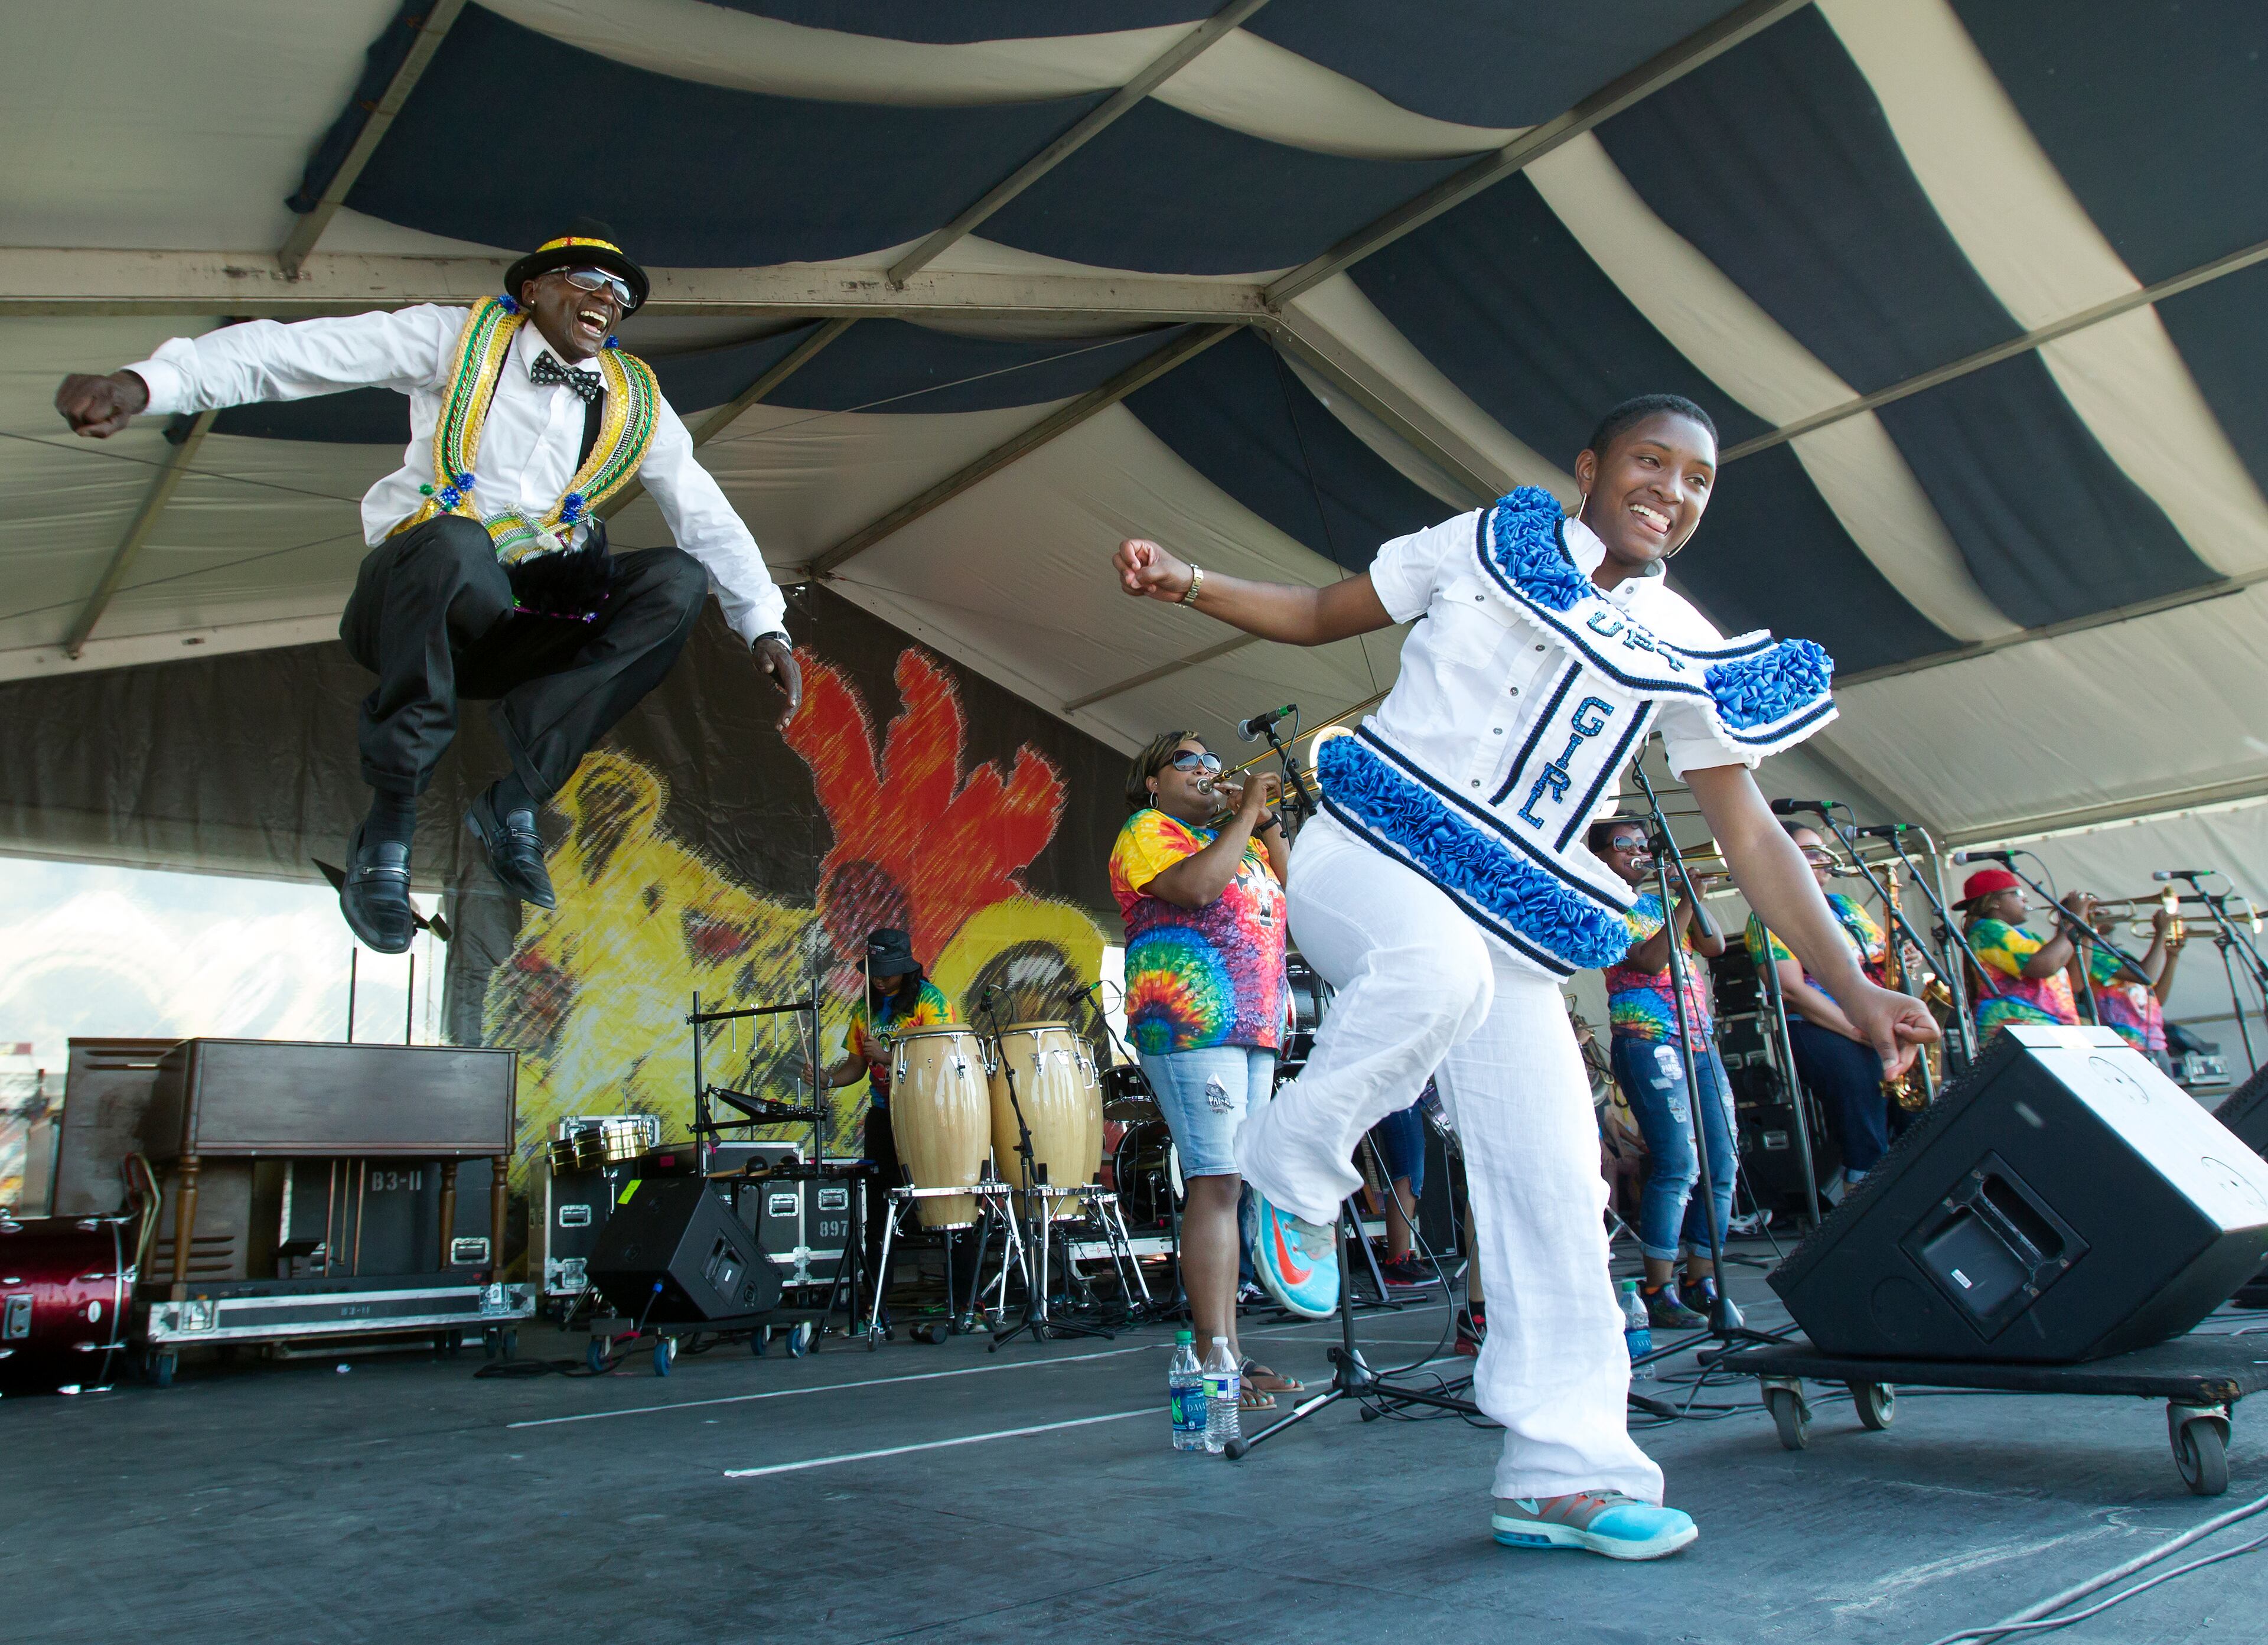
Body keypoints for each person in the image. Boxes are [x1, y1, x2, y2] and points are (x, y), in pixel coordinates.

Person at [1109, 394, 1934, 1561]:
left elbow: (1752, 838)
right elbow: (1312, 610)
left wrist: (1855, 990)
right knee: (1434, 968)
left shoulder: (1689, 639)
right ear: (1589, 464)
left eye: (1700, 479)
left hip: (1513, 916)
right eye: (1653, 461)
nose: (1676, 489)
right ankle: (1295, 1158)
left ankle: (1563, 1476)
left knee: (1558, 1182)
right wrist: (1187, 579)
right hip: (1374, 846)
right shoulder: (1491, 541)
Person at [54, 220, 801, 953]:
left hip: (519, 627)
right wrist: (147, 384)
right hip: (416, 598)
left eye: (620, 292)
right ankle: (387, 833)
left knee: (675, 579)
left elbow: (705, 512)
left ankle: (515, 801)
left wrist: (763, 623)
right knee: (453, 542)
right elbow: (293, 353)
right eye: (587, 280)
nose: (606, 296)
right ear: (534, 288)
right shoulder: (457, 338)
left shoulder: (632, 397)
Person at [1109, 733, 1299, 1412]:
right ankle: (1213, 1355)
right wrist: (1246, 810)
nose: (1206, 771)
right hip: (1190, 1024)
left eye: (1213, 763)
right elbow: (1195, 889)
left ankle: (1232, 1352)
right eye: (1187, 761)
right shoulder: (1147, 830)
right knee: (1215, 1178)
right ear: (1153, 781)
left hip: (1252, 1028)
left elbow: (1301, 894)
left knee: (1236, 1182)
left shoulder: (1243, 844)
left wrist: (1268, 820)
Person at [1589, 817, 1732, 1327]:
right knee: (1678, 1163)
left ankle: (1700, 1279)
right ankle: (1657, 1285)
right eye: (1624, 844)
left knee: (1722, 1162)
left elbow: (1712, 946)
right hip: (1649, 1045)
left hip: (1700, 1044)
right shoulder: (1600, 903)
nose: (1638, 851)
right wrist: (1686, 901)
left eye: (1642, 844)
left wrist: (1690, 896)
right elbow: (1650, 961)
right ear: (1601, 856)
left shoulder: (1658, 904)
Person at [809, 929, 969, 1321]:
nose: (879, 979)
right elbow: (856, 1066)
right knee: (879, 1211)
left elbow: (943, 1060)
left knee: (948, 1203)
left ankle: (964, 1301)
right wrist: (826, 1078)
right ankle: (876, 1300)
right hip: (884, 1116)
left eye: (887, 971)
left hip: (930, 1113)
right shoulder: (864, 1009)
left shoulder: (931, 1003)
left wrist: (891, 1051)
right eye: (875, 971)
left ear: (905, 968)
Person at [1747, 822, 1895, 1191]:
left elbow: (1878, 958)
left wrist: (1899, 960)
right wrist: (1855, 1030)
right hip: (1822, 1028)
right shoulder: (1769, 912)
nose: (1823, 859)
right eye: (1810, 853)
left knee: (1913, 1121)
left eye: (1823, 851)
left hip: (1873, 1025)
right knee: (1864, 1129)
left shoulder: (1846, 906)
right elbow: (1792, 990)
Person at [1957, 869, 2087, 1045]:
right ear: (1995, 902)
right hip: (2023, 1035)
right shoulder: (1988, 931)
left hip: (2051, 1035)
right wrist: (2076, 919)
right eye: (2017, 893)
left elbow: (2076, 982)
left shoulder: (2027, 937)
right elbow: (2044, 966)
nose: (2025, 898)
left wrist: (2082, 928)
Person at [2074, 903, 2184, 1074]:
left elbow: (2157, 1000)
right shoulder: (2091, 953)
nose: (2105, 911)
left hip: (2156, 1044)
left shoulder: (2119, 955)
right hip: (2127, 1045)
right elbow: (2146, 975)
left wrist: (2173, 956)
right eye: (2092, 909)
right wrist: (2161, 933)